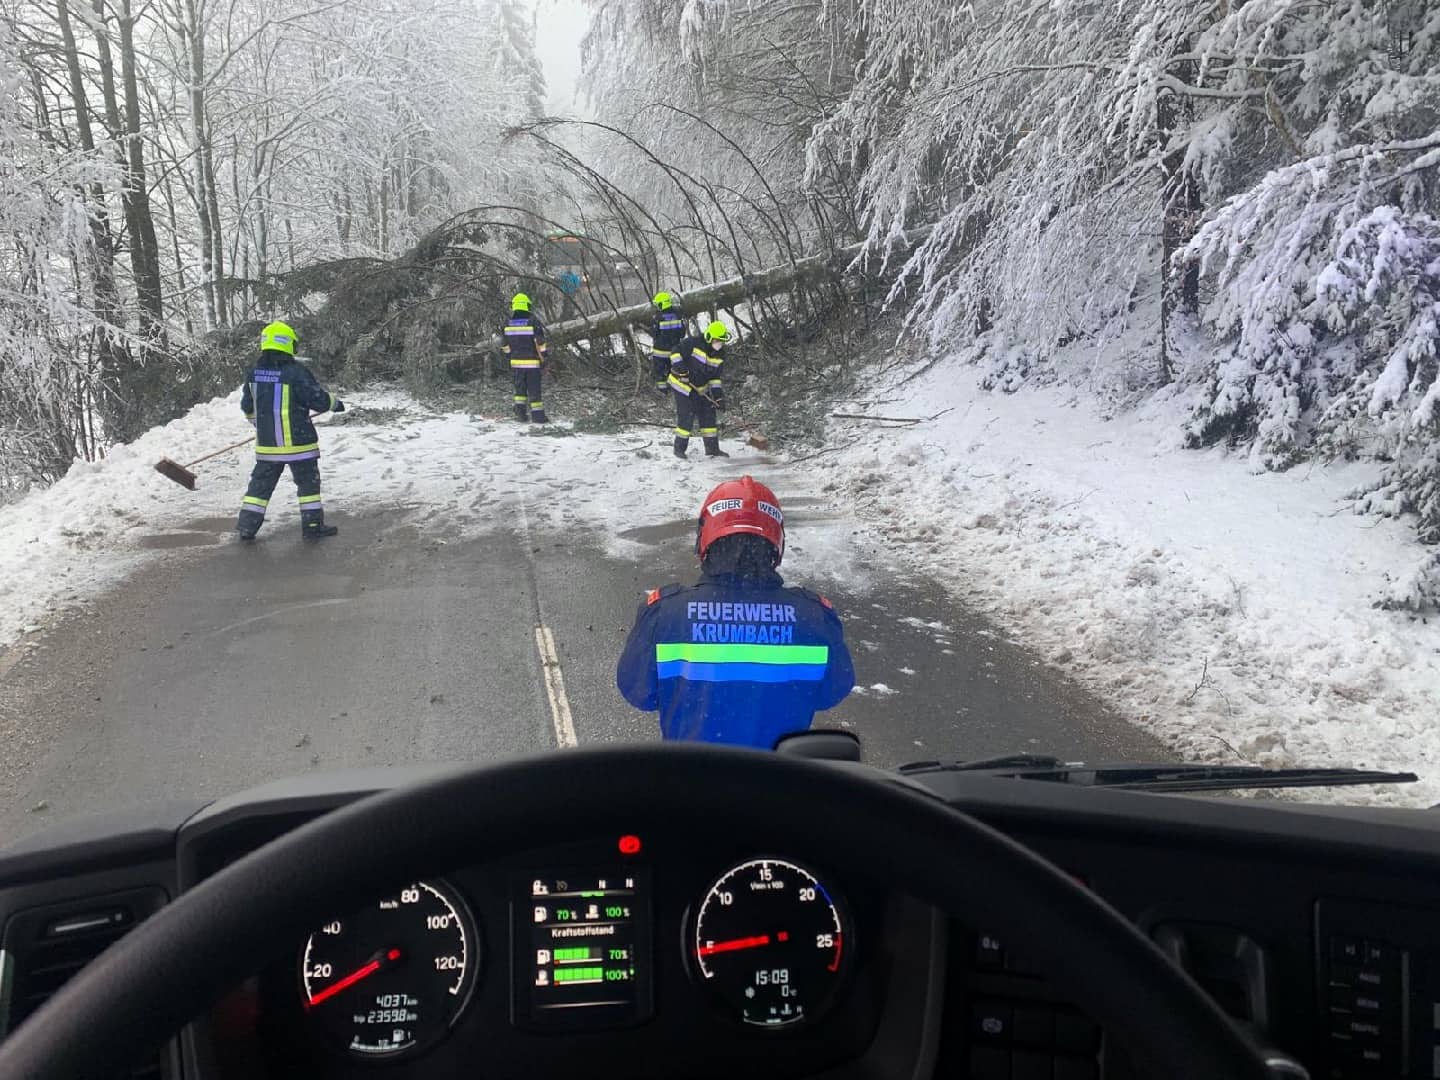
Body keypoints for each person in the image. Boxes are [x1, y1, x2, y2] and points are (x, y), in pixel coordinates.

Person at [616, 476, 855, 749]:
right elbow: (831, 693)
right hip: (780, 783)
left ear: (704, 539)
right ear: (777, 543)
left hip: (692, 781)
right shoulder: (815, 617)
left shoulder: (664, 613)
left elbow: (639, 694)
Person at [235, 322, 345, 542]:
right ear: (288, 344)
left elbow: (248, 407)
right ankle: (313, 526)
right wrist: (336, 403)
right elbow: (318, 400)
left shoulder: (254, 373)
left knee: (259, 487)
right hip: (299, 444)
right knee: (308, 486)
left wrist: (261, 425)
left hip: (268, 447)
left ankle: (247, 527)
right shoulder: (296, 373)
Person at [669, 320, 730, 458]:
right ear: (709, 337)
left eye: (721, 341)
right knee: (687, 416)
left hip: (701, 387)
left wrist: (718, 397)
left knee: (708, 415)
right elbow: (675, 352)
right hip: (682, 385)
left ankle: (712, 449)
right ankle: (679, 449)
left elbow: (715, 378)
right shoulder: (693, 343)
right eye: (717, 340)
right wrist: (682, 369)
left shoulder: (720, 355)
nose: (719, 344)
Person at [502, 292, 548, 423]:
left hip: (516, 363)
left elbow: (504, 343)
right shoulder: (532, 321)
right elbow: (540, 342)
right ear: (527, 305)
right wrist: (544, 357)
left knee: (519, 391)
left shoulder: (508, 322)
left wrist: (509, 356)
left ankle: (521, 414)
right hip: (532, 363)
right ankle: (538, 417)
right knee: (534, 390)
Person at [647, 291, 688, 391]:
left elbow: (654, 334)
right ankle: (675, 390)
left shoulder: (658, 317)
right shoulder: (678, 314)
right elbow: (682, 334)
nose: (657, 307)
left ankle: (663, 392)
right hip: (674, 351)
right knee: (674, 372)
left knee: (660, 374)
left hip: (660, 353)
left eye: (658, 304)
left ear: (662, 304)